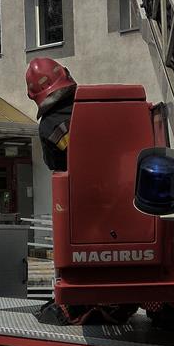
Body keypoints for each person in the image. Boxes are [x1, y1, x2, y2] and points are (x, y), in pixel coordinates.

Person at [25, 58, 136, 326]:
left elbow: (56, 165)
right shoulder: (95, 108)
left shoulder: (49, 124)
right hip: (127, 197)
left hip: (82, 205)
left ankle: (81, 305)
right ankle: (115, 302)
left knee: (81, 261)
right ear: (66, 76)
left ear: (33, 95)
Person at [25, 57, 76, 172]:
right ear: (66, 73)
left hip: (82, 180)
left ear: (32, 95)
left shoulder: (47, 126)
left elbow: (55, 165)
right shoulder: (91, 101)